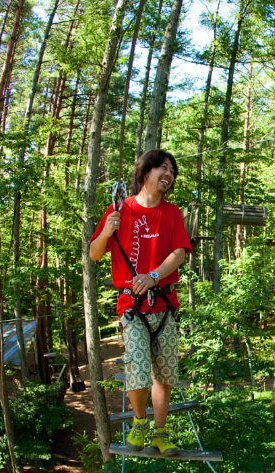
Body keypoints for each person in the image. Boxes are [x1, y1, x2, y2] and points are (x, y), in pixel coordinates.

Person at [89, 149, 192, 455]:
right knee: (137, 367)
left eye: (172, 170)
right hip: (132, 307)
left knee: (165, 372)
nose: (168, 174)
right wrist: (108, 229)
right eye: (162, 168)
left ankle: (161, 433)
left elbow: (180, 253)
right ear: (145, 172)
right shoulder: (121, 210)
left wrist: (154, 275)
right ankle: (139, 423)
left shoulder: (172, 213)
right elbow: (95, 254)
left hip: (164, 303)